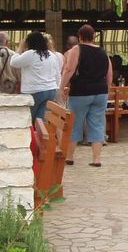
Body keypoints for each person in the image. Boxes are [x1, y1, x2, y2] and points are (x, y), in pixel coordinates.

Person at [60, 24, 112, 167]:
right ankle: (96, 159)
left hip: (81, 92)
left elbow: (69, 69)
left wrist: (61, 87)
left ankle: (69, 157)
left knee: (74, 124)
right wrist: (106, 89)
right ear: (94, 36)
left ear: (80, 37)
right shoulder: (103, 51)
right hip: (100, 92)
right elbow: (109, 74)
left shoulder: (76, 49)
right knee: (97, 124)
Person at [10, 31, 61, 122]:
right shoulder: (51, 55)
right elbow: (57, 74)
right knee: (40, 121)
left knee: (28, 120)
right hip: (51, 90)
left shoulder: (31, 54)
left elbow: (13, 62)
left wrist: (20, 48)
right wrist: (56, 87)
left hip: (34, 91)